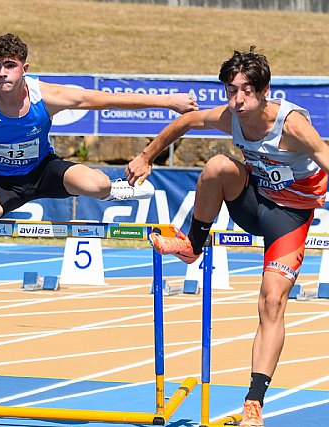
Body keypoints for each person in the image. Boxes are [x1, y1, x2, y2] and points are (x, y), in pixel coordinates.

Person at [0, 33, 198, 321]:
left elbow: (106, 100)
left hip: (44, 170)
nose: (1, 73)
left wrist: (167, 101)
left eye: (9, 65)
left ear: (25, 68)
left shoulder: (47, 96)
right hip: (1, 181)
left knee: (96, 183)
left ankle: (113, 191)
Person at [126, 47, 329, 427]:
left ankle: (254, 402)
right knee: (218, 165)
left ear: (264, 90)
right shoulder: (230, 117)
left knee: (271, 302)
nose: (237, 100)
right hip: (253, 201)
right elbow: (185, 121)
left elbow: (324, 155)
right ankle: (192, 245)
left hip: (290, 218)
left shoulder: (292, 125)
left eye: (246, 91)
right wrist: (147, 156)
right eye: (230, 90)